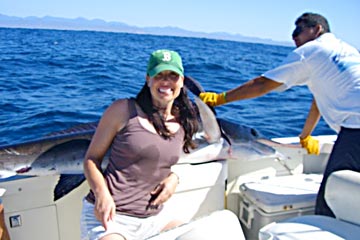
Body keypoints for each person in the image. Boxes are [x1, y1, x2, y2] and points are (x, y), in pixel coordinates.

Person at [199, 12, 360, 217]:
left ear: (317, 29)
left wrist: (221, 98)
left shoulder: (311, 50)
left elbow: (262, 84)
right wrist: (305, 135)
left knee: (332, 198)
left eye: (299, 30)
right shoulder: (346, 51)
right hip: (353, 129)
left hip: (356, 131)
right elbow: (318, 101)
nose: (294, 36)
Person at [80, 49, 199, 240]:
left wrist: (174, 178)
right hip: (111, 218)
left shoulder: (185, 121)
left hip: (155, 219)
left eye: (172, 75)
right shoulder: (122, 110)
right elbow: (91, 160)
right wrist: (102, 195)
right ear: (148, 79)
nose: (166, 81)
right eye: (159, 75)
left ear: (182, 81)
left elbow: (164, 160)